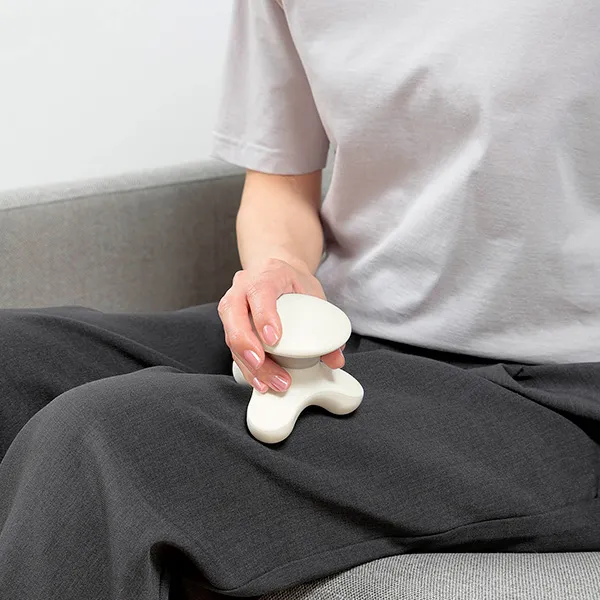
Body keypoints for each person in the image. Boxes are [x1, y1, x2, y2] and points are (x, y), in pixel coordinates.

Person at [1, 1, 599, 598]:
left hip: (560, 388)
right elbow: (282, 182)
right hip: (346, 332)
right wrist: (281, 271)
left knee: (103, 442)